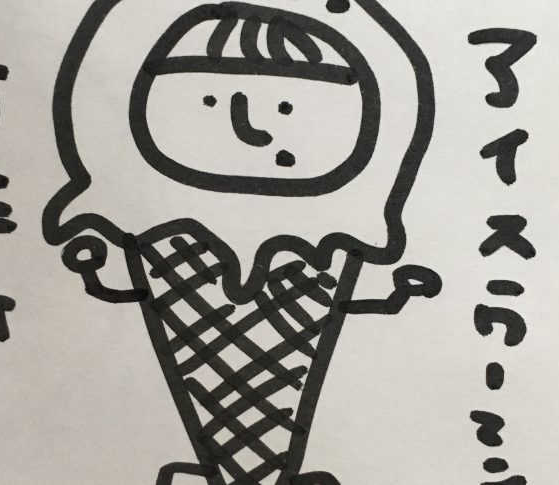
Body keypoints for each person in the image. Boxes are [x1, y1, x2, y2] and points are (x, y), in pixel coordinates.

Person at [44, 1, 440, 484]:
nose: (249, 128)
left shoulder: (336, 230)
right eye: (209, 102)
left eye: (286, 107)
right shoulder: (152, 226)